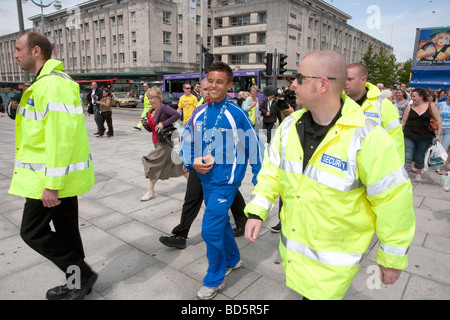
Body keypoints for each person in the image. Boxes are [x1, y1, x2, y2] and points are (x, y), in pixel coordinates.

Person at [244, 50, 415, 300]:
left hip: (333, 266)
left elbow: (394, 200)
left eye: (300, 78)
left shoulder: (367, 137)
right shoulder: (289, 127)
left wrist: (391, 258)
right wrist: (257, 210)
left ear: (323, 84)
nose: (293, 84)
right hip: (295, 258)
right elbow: (272, 172)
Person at [10, 32, 96, 300]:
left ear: (36, 51)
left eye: (18, 49)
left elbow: (60, 138)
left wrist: (52, 185)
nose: (15, 54)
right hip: (57, 177)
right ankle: (76, 283)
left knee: (32, 232)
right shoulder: (47, 83)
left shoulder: (51, 84)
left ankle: (81, 275)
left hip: (49, 180)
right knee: (67, 233)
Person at [180, 61, 263, 300]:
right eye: (211, 81)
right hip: (205, 179)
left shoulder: (235, 113)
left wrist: (260, 183)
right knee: (221, 224)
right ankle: (234, 260)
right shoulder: (201, 112)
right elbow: (187, 140)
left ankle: (214, 278)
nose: (214, 86)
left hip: (225, 183)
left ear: (229, 85)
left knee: (210, 230)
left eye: (220, 82)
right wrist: (192, 160)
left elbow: (254, 147)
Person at [160, 78, 248, 249]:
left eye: (212, 88)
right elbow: (188, 135)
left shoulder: (233, 111)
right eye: (205, 89)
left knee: (232, 191)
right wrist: (188, 159)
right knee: (191, 198)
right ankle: (181, 235)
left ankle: (242, 221)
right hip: (199, 164)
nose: (208, 91)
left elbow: (244, 139)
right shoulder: (199, 111)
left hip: (222, 166)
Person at [345, 63, 404, 162]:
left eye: (350, 79)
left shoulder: (383, 105)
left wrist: (396, 170)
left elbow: (396, 141)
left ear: (363, 80)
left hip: (373, 165)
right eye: (343, 79)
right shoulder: (337, 101)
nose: (345, 83)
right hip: (343, 167)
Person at [140, 86, 187, 201]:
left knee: (151, 163)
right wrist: (145, 124)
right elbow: (152, 130)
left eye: (152, 98)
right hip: (157, 142)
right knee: (178, 165)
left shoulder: (164, 108)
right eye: (149, 98)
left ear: (159, 98)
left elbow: (177, 115)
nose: (150, 101)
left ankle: (151, 192)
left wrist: (163, 123)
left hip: (165, 143)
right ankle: (195, 184)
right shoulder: (151, 111)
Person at [402, 88, 442, 182]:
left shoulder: (430, 105)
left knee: (420, 155)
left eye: (414, 96)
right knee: (407, 155)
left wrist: (438, 134)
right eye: (411, 96)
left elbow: (438, 120)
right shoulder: (409, 107)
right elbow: (403, 122)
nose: (412, 98)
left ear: (421, 96)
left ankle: (419, 174)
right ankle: (405, 174)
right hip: (409, 134)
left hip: (425, 136)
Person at [434, 89, 450, 175]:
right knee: (438, 147)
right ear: (446, 96)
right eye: (449, 97)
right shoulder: (440, 104)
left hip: (449, 129)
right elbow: (435, 115)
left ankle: (440, 166)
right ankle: (437, 165)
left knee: (444, 148)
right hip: (439, 128)